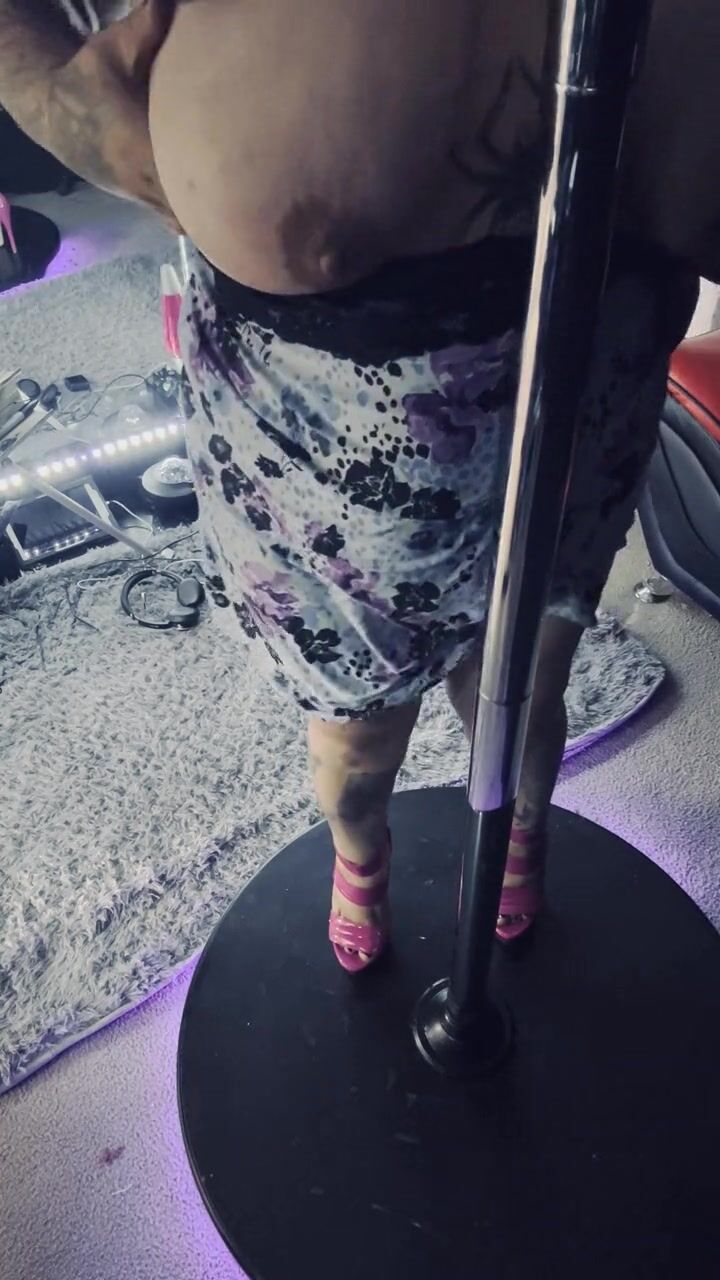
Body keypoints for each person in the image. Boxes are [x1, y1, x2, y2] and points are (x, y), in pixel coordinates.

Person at [1, 0, 709, 969]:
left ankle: (519, 830)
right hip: (325, 423)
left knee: (525, 691)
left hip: (598, 369)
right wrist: (43, 82)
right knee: (355, 746)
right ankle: (361, 854)